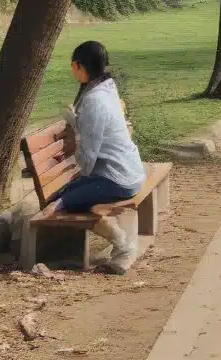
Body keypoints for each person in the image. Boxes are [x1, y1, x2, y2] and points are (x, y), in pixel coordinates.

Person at [51, 41, 147, 274]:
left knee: (61, 205)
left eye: (72, 65)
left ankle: (124, 248)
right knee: (63, 195)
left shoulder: (95, 100)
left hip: (117, 178)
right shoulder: (106, 88)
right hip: (128, 171)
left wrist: (73, 143)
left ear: (78, 66)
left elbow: (87, 161)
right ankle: (122, 246)